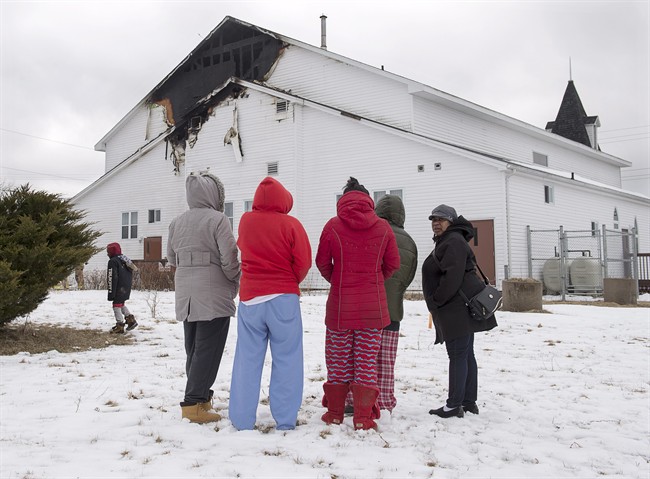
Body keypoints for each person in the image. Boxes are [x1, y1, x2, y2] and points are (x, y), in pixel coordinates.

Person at [316, 177, 400, 430]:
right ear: (368, 201)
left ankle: (335, 413)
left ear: (343, 200)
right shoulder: (383, 227)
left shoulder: (333, 226)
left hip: (341, 307)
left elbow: (322, 262)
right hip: (372, 310)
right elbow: (393, 265)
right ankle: (363, 418)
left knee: (338, 360)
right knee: (365, 361)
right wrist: (374, 281)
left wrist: (339, 280)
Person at [229, 177, 312, 431]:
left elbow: (242, 247)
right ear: (284, 200)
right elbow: (303, 261)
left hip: (251, 298)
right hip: (283, 299)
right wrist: (289, 282)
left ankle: (242, 420)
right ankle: (285, 420)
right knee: (287, 358)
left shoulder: (245, 221)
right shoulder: (291, 224)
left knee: (247, 359)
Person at [167, 172, 241, 424]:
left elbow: (171, 258)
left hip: (186, 293)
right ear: (214, 194)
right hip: (213, 293)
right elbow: (229, 257)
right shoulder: (218, 220)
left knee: (194, 349)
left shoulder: (176, 222)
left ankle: (199, 398)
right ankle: (193, 403)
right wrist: (235, 278)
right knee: (208, 349)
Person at [421, 204, 497, 418]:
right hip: (459, 307)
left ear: (451, 222)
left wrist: (436, 300)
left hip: (455, 308)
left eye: (441, 219)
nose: (436, 223)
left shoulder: (452, 241)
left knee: (458, 354)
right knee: (465, 354)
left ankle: (455, 405)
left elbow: (451, 278)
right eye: (433, 219)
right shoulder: (450, 240)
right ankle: (467, 401)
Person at [106, 242, 138, 334]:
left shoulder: (113, 261)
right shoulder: (124, 259)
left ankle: (119, 325)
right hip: (126, 287)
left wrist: (111, 292)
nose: (107, 254)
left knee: (116, 305)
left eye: (108, 251)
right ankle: (131, 320)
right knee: (121, 304)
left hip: (118, 287)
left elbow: (112, 277)